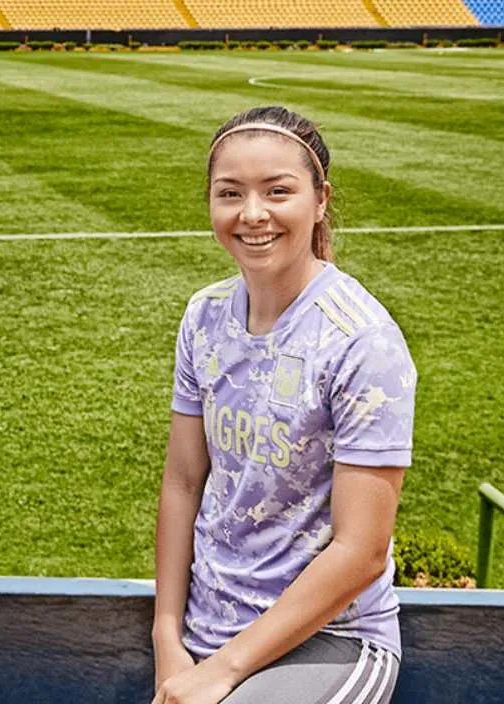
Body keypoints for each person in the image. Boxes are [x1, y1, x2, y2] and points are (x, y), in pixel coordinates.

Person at [151, 106, 417, 704]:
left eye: (278, 191)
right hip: (210, 631)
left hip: (333, 639)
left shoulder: (361, 341)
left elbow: (363, 550)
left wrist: (223, 671)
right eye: (230, 193)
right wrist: (168, 635)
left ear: (320, 199)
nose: (252, 214)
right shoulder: (204, 318)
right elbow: (183, 480)